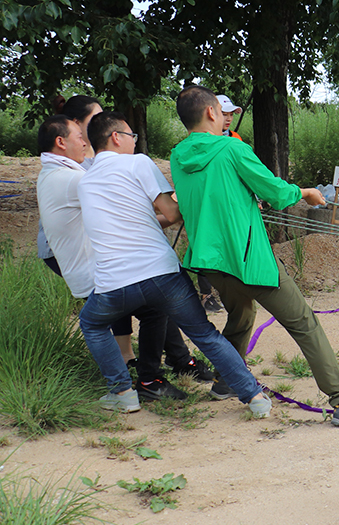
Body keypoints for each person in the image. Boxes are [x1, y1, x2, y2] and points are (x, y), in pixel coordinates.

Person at [170, 86, 339, 427]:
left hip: (211, 263)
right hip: (247, 260)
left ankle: (226, 381)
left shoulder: (178, 157)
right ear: (211, 113)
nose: (226, 117)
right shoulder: (231, 149)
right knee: (303, 322)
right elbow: (275, 191)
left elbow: (218, 194)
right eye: (221, 111)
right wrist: (307, 193)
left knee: (240, 318)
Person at [74, 111, 270, 416]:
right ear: (116, 137)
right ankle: (254, 397)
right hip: (161, 274)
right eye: (131, 137)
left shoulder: (85, 183)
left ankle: (123, 392)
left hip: (114, 283)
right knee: (204, 334)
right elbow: (173, 213)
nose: (134, 143)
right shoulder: (138, 163)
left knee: (91, 323)